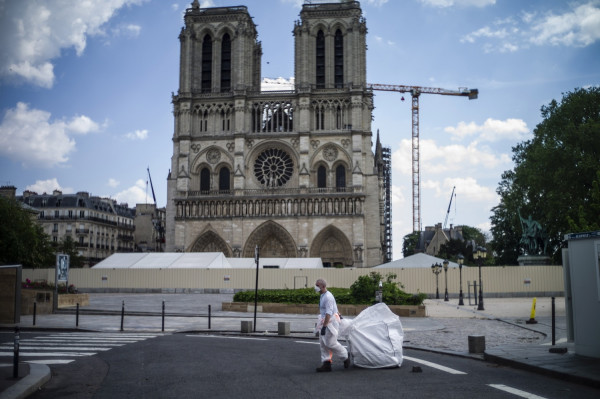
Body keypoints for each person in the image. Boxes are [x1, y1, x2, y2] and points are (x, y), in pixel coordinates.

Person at [314, 278, 350, 372]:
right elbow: (333, 307)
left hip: (330, 323)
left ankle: (345, 356)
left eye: (317, 285)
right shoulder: (322, 295)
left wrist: (325, 326)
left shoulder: (328, 297)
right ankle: (326, 363)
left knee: (330, 343)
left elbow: (328, 313)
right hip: (324, 321)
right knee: (323, 343)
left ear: (323, 286)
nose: (316, 287)